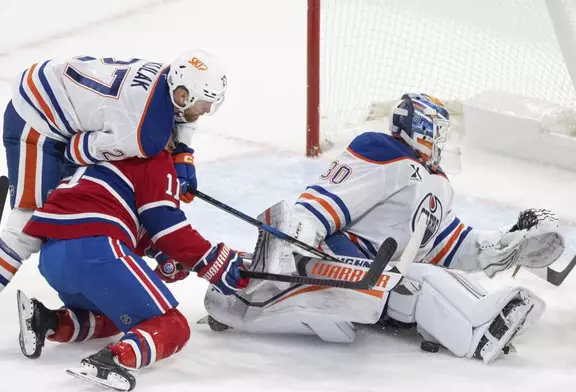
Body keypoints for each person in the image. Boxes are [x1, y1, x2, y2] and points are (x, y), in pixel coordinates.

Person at [202, 93, 566, 364]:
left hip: (374, 277)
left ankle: (482, 318)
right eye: (437, 133)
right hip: (334, 264)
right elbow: (324, 200)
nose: (442, 143)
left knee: (416, 277)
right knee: (418, 280)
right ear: (420, 130)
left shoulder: (433, 183)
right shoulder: (382, 151)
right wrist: (294, 242)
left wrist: (505, 244)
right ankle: (481, 328)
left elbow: (449, 245)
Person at [0, 49, 227, 358]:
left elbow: (180, 118)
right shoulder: (143, 135)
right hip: (38, 121)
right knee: (27, 226)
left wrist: (183, 154)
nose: (202, 113)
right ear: (181, 95)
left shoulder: (166, 77)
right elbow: (76, 151)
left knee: (65, 206)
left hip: (52, 92)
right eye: (200, 105)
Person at [14, 134, 248, 391]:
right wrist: (214, 262)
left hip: (53, 258)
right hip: (97, 250)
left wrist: (165, 256)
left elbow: (136, 224)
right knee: (173, 327)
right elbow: (168, 229)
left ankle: (47, 322)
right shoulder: (153, 155)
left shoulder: (107, 154)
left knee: (113, 317)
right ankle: (110, 360)